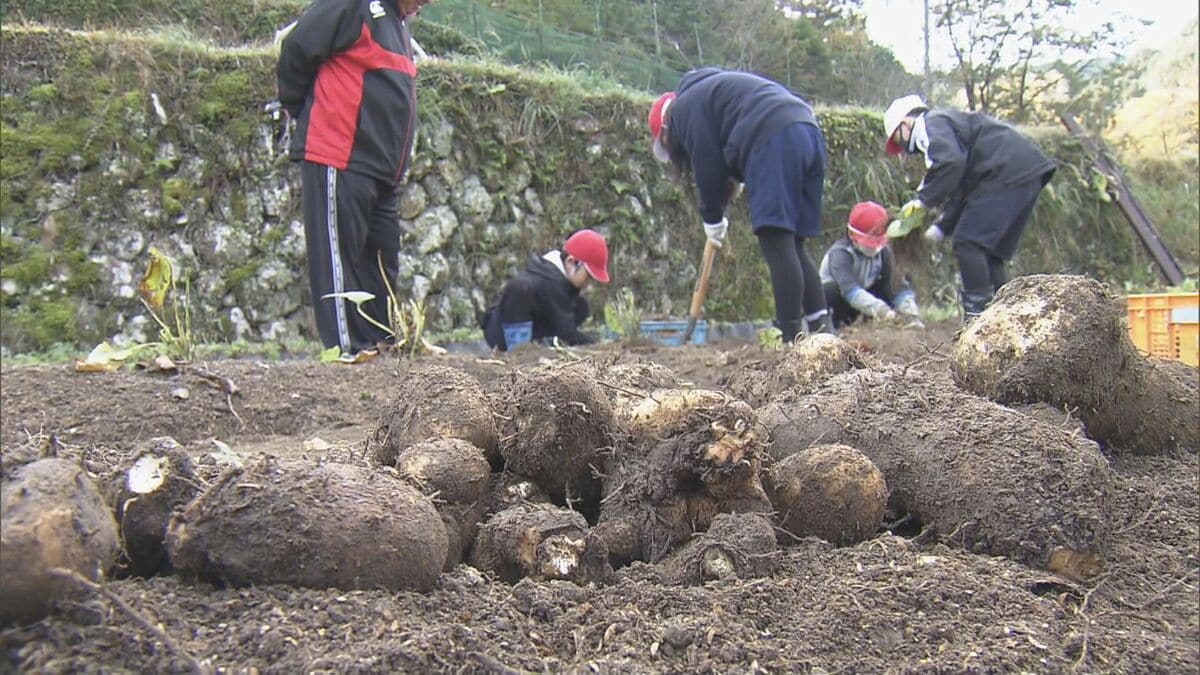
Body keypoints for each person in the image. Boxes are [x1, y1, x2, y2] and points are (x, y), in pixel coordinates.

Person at [276, 0, 433, 360]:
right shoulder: (351, 4)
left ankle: (380, 345)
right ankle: (346, 350)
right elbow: (298, 48)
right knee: (338, 257)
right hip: (338, 153)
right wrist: (298, 107)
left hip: (383, 170)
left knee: (381, 260)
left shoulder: (398, 23)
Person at [648, 67, 833, 343]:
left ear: (666, 127)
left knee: (776, 239)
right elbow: (729, 139)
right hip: (806, 130)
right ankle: (824, 332)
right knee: (794, 244)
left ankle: (790, 340)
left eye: (665, 143)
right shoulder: (709, 91)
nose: (672, 150)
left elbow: (707, 164)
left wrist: (712, 218)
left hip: (773, 135)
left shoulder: (684, 109)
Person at [883, 95, 1056, 321]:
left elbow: (949, 163)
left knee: (968, 244)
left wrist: (923, 200)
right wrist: (943, 226)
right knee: (990, 254)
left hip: (1003, 170)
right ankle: (1006, 319)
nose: (902, 148)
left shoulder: (930, 124)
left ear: (905, 124)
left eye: (897, 139)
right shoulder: (950, 124)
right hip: (1023, 170)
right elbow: (963, 184)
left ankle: (978, 320)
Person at [481, 229, 610, 352]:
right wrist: (597, 342)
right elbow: (566, 332)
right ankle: (520, 350)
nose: (588, 284)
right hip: (501, 339)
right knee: (521, 290)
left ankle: (539, 345)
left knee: (580, 306)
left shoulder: (555, 279)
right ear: (571, 262)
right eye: (588, 276)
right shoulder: (548, 284)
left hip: (534, 326)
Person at [819, 201, 923, 329]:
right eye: (869, 242)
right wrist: (883, 311)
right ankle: (827, 328)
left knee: (895, 279)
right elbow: (850, 291)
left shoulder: (883, 252)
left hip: (864, 301)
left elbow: (896, 286)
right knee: (831, 289)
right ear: (852, 235)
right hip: (839, 303)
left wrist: (910, 313)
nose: (874, 248)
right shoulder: (840, 254)